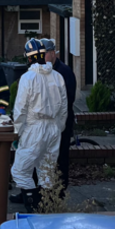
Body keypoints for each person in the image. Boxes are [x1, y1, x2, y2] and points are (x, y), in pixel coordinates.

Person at [9, 38, 68, 211]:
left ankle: (32, 206)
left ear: (28, 57)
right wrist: (59, 127)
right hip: (54, 128)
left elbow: (20, 109)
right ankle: (46, 208)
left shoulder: (28, 78)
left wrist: (17, 132)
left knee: (20, 171)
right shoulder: (58, 77)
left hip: (34, 128)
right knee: (47, 172)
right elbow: (64, 107)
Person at [43, 38, 77, 192]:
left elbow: (68, 99)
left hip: (61, 121)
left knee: (61, 155)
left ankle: (60, 190)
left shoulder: (63, 72)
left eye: (44, 54)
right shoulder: (42, 70)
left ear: (52, 53)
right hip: (46, 121)